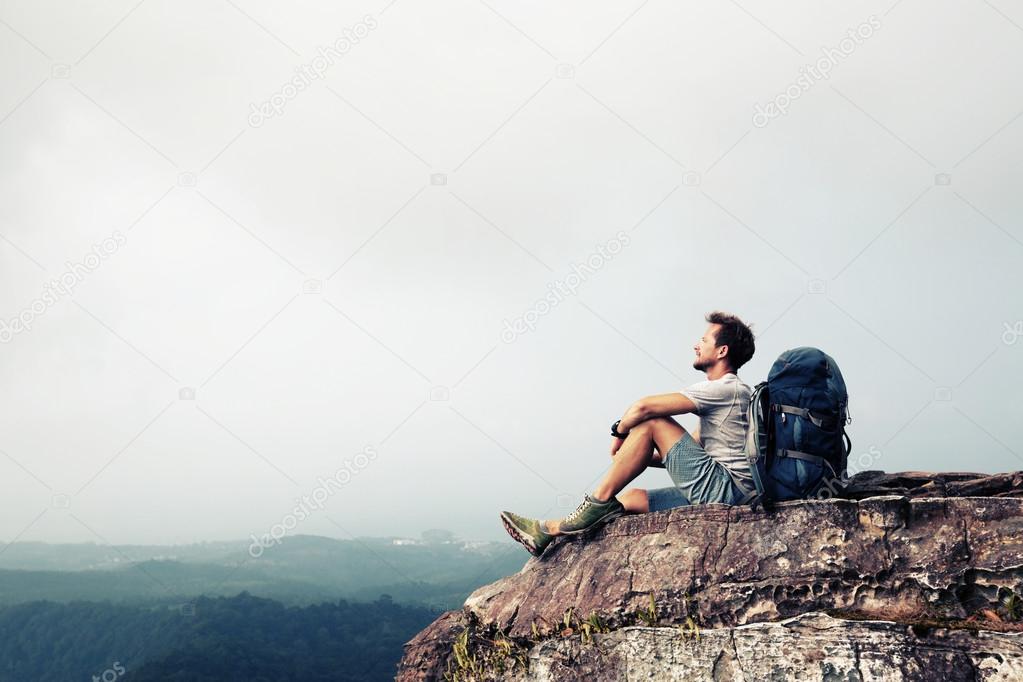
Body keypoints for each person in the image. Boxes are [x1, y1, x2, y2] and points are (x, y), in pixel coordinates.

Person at [500, 311, 756, 556]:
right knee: (631, 498)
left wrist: (620, 432)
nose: (696, 345)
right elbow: (691, 453)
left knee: (652, 423)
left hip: (726, 492)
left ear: (722, 351)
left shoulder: (727, 389)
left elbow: (643, 407)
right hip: (726, 489)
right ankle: (548, 532)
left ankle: (593, 504)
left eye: (704, 340)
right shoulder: (729, 396)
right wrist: (632, 455)